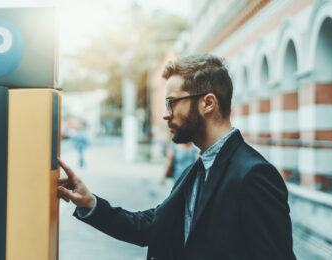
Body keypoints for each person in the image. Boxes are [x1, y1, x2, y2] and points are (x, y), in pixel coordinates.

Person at [58, 54, 295, 259]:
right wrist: (90, 203)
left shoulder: (254, 174)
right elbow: (151, 227)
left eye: (171, 103)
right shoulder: (196, 170)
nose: (165, 115)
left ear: (208, 103)